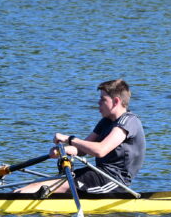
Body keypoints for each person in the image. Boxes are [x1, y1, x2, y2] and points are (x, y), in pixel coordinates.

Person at [14, 79, 145, 195]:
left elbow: (100, 150)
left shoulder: (129, 121)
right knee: (39, 185)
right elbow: (82, 150)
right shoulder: (106, 121)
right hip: (98, 174)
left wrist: (70, 139)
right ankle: (14, 197)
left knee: (45, 187)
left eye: (103, 99)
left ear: (116, 101)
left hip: (113, 181)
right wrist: (63, 150)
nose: (98, 103)